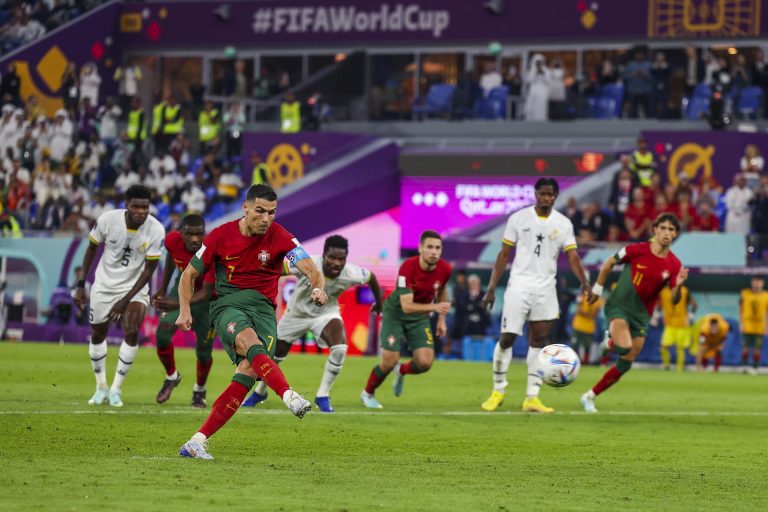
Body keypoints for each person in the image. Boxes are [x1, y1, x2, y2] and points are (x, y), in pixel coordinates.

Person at [177, 184, 328, 459]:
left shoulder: (280, 236)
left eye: (271, 213)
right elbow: (189, 275)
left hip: (265, 313)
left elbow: (311, 269)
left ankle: (196, 441)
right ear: (245, 208)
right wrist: (184, 309)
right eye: (260, 211)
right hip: (229, 306)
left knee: (248, 372)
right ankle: (288, 395)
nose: (266, 219)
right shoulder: (221, 236)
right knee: (249, 341)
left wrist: (318, 287)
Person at [480, 177, 592, 413]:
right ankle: (498, 390)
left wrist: (584, 282)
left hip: (546, 288)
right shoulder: (519, 219)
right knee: (507, 338)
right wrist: (491, 288)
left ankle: (532, 397)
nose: (546, 198)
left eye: (550, 195)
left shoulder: (563, 224)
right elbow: (503, 254)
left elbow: (572, 256)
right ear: (535, 194)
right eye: (542, 194)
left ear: (556, 196)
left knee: (539, 342)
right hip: (519, 285)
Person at [243, 234, 383, 412]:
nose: (337, 263)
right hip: (296, 315)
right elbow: (278, 269)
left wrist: (379, 304)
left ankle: (323, 395)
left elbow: (371, 278)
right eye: (332, 257)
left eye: (341, 259)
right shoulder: (307, 263)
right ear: (324, 255)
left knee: (340, 348)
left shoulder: (351, 272)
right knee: (274, 357)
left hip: (325, 315)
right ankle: (261, 391)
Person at [580, 213, 687, 413]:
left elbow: (674, 300)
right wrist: (597, 288)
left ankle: (589, 396)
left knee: (626, 363)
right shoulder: (636, 249)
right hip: (619, 305)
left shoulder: (674, 265)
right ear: (654, 229)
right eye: (662, 228)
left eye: (671, 230)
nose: (666, 232)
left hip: (641, 315)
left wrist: (679, 286)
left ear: (675, 234)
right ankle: (609, 341)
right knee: (624, 346)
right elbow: (609, 263)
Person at [73, 185, 165, 408]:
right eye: (136, 206)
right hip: (104, 286)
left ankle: (116, 389)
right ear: (127, 205)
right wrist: (80, 284)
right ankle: (101, 386)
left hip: (134, 288)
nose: (141, 211)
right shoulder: (107, 220)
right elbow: (91, 249)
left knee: (132, 331)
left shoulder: (156, 230)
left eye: (145, 207)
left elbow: (149, 270)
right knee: (98, 334)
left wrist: (125, 300)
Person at [360, 230, 452, 409]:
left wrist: (441, 319)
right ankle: (368, 393)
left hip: (419, 318)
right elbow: (407, 306)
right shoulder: (407, 268)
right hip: (396, 314)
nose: (434, 252)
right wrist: (435, 308)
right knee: (389, 360)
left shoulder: (445, 269)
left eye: (438, 248)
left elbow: (441, 290)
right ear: (420, 248)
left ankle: (401, 371)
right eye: (430, 247)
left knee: (425, 362)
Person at [151, 214, 216, 407]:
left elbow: (206, 292)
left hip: (208, 302)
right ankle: (171, 376)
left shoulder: (212, 249)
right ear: (181, 233)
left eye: (199, 234)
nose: (195, 239)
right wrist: (163, 289)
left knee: (204, 352)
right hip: (180, 290)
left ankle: (199, 391)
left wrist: (176, 305)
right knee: (162, 334)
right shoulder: (171, 240)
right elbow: (172, 258)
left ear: (204, 233)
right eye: (189, 234)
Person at [656, 284, 697, 372]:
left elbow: (694, 305)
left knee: (680, 348)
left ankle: (680, 368)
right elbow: (659, 306)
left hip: (682, 325)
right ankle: (666, 365)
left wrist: (690, 317)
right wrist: (656, 316)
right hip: (669, 325)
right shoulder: (663, 292)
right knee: (663, 347)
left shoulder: (684, 291)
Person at [738, 276, 768, 374]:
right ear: (752, 283)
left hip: (760, 327)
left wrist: (766, 326)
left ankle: (755, 368)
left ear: (762, 284)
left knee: (757, 350)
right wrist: (741, 323)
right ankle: (744, 367)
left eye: (759, 282)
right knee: (745, 348)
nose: (757, 284)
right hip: (747, 325)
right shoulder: (745, 293)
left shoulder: (766, 295)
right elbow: (740, 309)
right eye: (755, 282)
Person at [571, 292, 603, 364]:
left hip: (589, 327)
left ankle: (585, 362)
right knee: (575, 344)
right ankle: (575, 361)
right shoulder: (581, 296)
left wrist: (585, 314)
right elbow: (578, 310)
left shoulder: (597, 299)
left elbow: (596, 314)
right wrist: (589, 315)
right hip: (578, 325)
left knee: (587, 346)